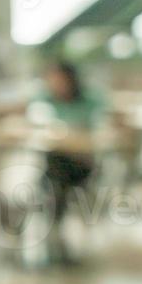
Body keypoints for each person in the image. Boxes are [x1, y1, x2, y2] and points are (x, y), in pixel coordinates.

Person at [32, 60, 107, 265]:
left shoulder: (91, 101)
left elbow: (101, 130)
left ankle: (54, 234)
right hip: (56, 163)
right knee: (56, 169)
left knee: (57, 176)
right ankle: (54, 234)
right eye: (52, 79)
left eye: (60, 79)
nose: (56, 84)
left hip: (83, 165)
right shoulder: (44, 102)